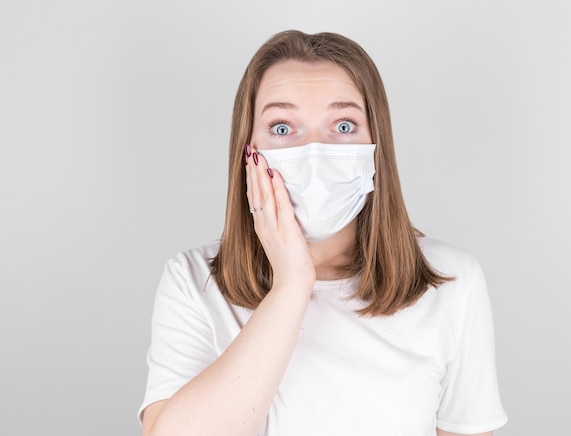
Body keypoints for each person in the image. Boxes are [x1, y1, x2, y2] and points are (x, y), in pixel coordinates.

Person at [139, 30, 508, 436]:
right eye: (282, 128)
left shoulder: (452, 282)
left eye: (344, 125)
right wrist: (292, 284)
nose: (314, 152)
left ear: (375, 145)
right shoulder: (193, 281)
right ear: (249, 150)